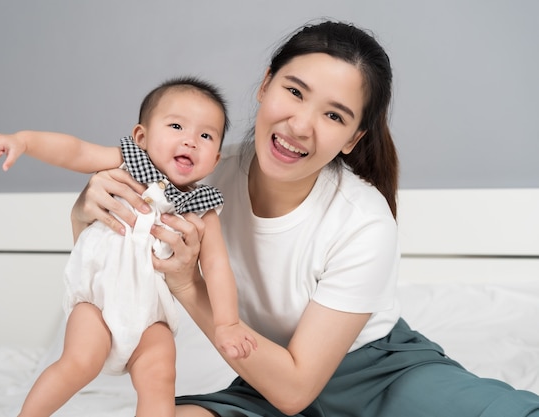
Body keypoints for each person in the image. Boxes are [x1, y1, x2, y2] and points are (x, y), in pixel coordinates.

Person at [69, 20, 539, 417]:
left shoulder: (363, 219)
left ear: (354, 138)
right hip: (266, 376)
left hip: (381, 378)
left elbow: (297, 390)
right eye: (294, 92)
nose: (299, 126)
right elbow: (105, 273)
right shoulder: (198, 181)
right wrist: (86, 212)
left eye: (334, 116)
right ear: (266, 83)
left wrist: (189, 286)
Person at [0, 76, 257, 417]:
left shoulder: (201, 207)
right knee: (79, 363)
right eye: (176, 126)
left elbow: (218, 267)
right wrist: (24, 141)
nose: (190, 141)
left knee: (160, 375)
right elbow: (75, 150)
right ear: (141, 137)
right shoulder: (124, 164)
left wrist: (228, 323)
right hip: (97, 302)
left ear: (215, 160)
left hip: (150, 315)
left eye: (205, 135)